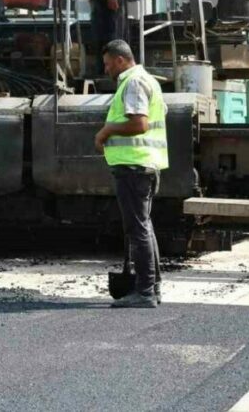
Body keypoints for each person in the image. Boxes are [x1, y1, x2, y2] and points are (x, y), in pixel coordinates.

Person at [93, 39, 168, 308]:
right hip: (144, 165)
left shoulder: (133, 81)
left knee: (138, 229)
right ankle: (152, 288)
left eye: (108, 63)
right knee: (144, 227)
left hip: (134, 166)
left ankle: (145, 291)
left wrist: (106, 130)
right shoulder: (147, 80)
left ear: (121, 60)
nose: (107, 69)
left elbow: (139, 124)